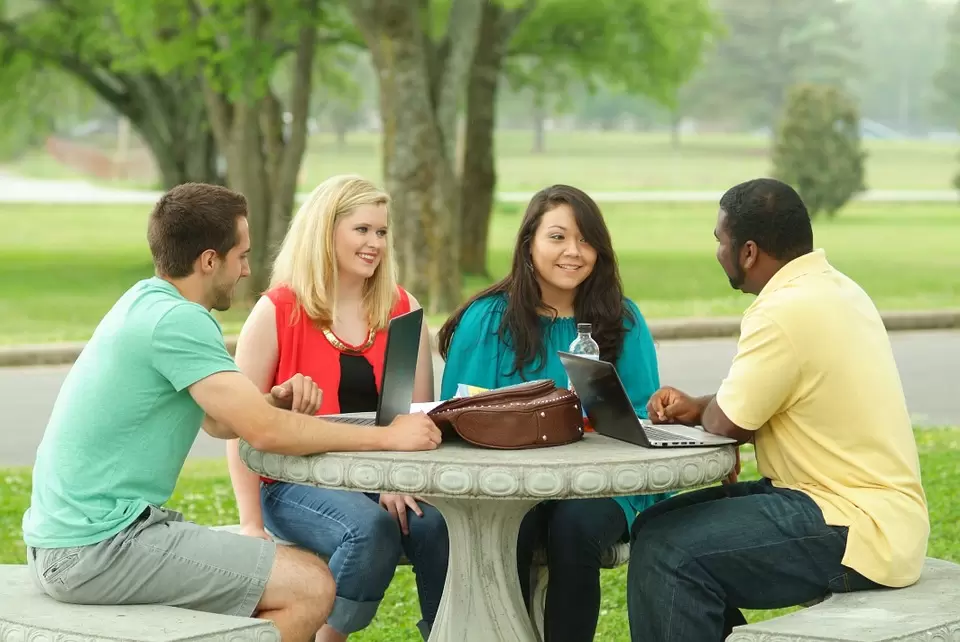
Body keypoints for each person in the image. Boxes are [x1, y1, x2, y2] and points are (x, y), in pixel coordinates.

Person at [21, 182, 442, 642]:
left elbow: (222, 420)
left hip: (82, 539)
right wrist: (388, 437)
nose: (246, 271)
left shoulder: (147, 301)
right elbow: (264, 434)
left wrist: (269, 401)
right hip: (98, 548)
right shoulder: (180, 322)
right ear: (209, 261)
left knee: (301, 579)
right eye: (241, 256)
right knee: (309, 587)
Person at [627, 178, 930, 642]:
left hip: (857, 524)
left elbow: (729, 423)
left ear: (748, 252)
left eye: (720, 241)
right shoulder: (837, 289)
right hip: (864, 510)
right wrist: (699, 406)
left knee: (669, 552)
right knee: (654, 527)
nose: (717, 253)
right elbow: (758, 403)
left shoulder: (781, 310)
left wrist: (707, 410)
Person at [437, 184, 668, 642]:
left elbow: (642, 414)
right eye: (558, 237)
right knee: (511, 528)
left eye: (586, 240)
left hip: (600, 484)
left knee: (574, 525)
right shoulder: (488, 318)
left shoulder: (622, 319)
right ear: (529, 243)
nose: (573, 252)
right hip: (507, 484)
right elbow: (458, 414)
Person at [226, 174, 449, 642]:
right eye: (361, 229)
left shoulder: (402, 308)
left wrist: (398, 479)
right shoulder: (278, 310)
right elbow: (238, 424)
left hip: (381, 477)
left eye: (381, 232)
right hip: (292, 481)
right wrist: (250, 524)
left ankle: (445, 634)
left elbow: (418, 416)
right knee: (369, 528)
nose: (375, 243)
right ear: (325, 231)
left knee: (436, 526)